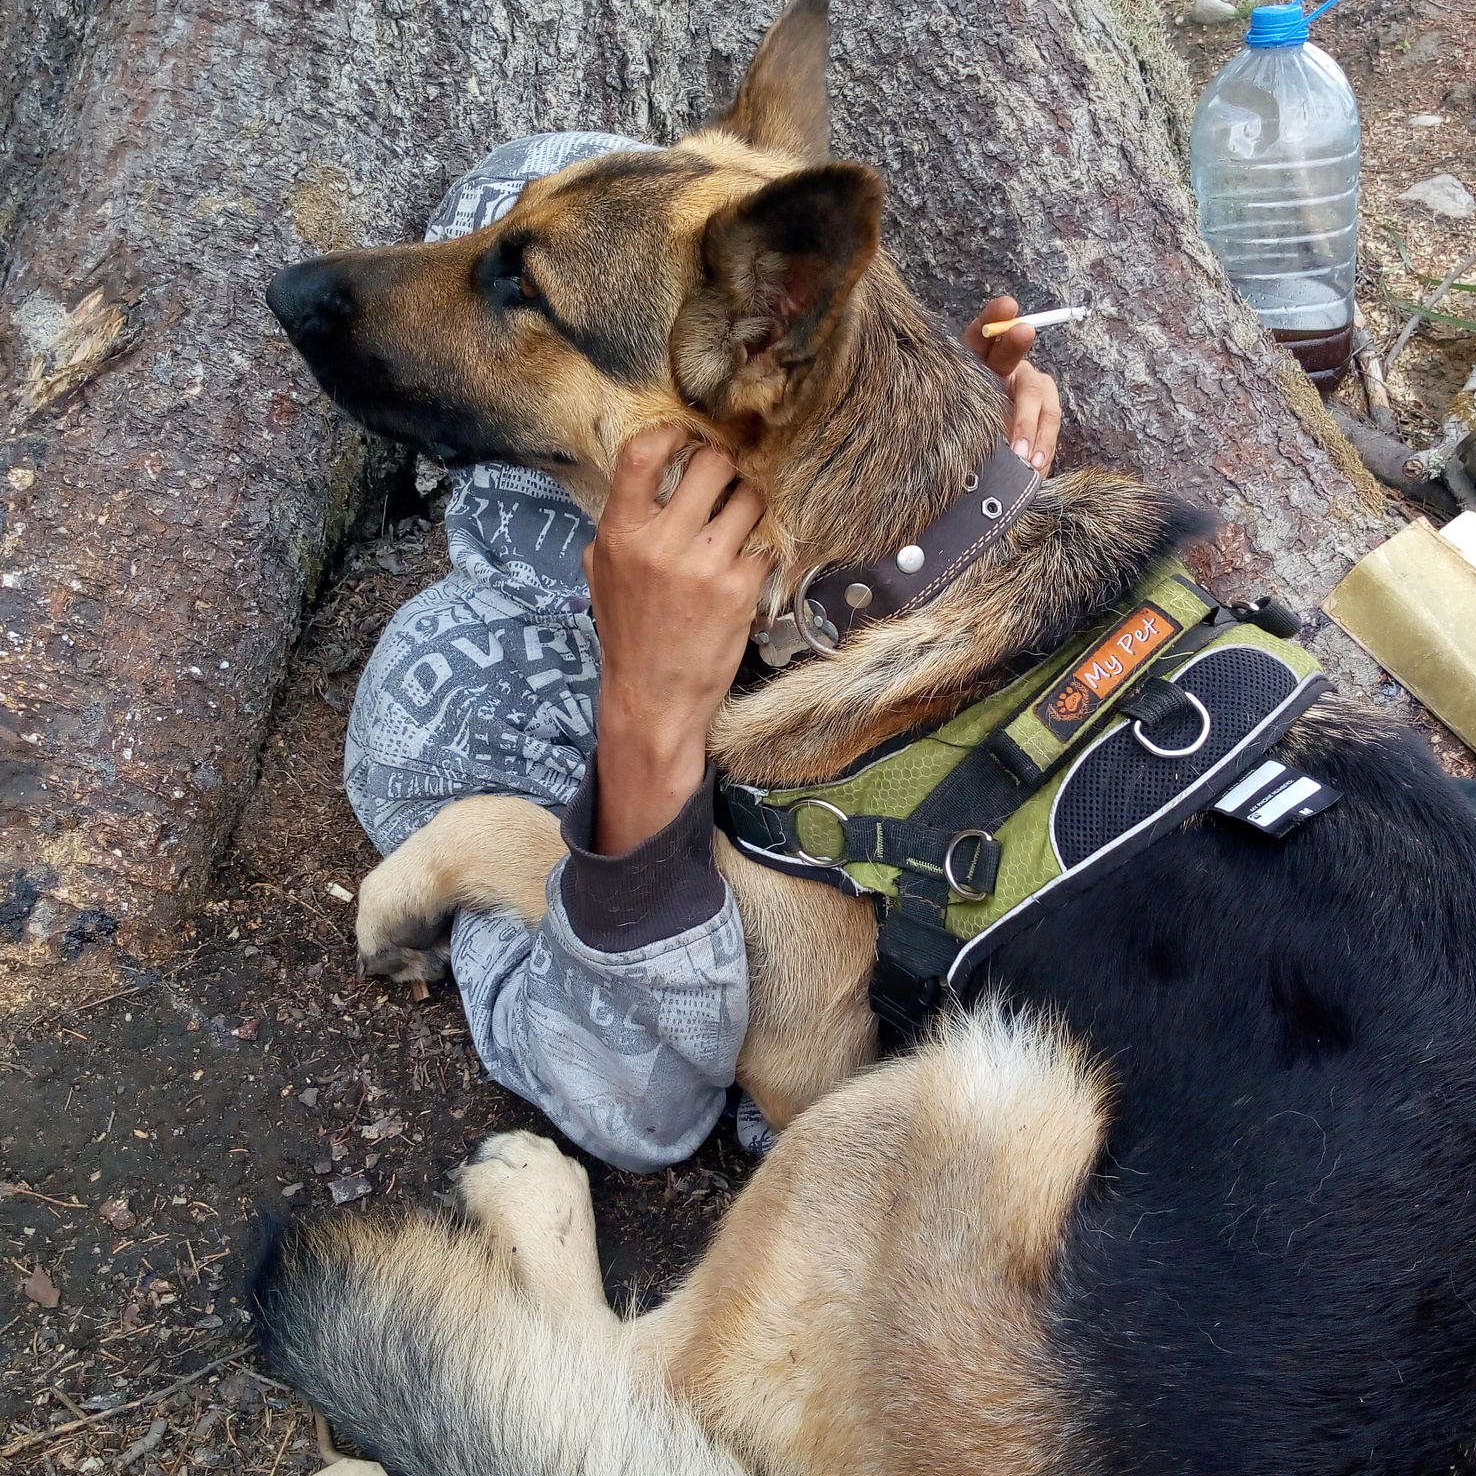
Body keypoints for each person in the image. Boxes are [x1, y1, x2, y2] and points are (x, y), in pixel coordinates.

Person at [343, 133, 1060, 1170]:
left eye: (516, 281)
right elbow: (636, 1101)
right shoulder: (454, 693)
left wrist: (945, 482)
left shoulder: (814, 554)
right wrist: (641, 716)